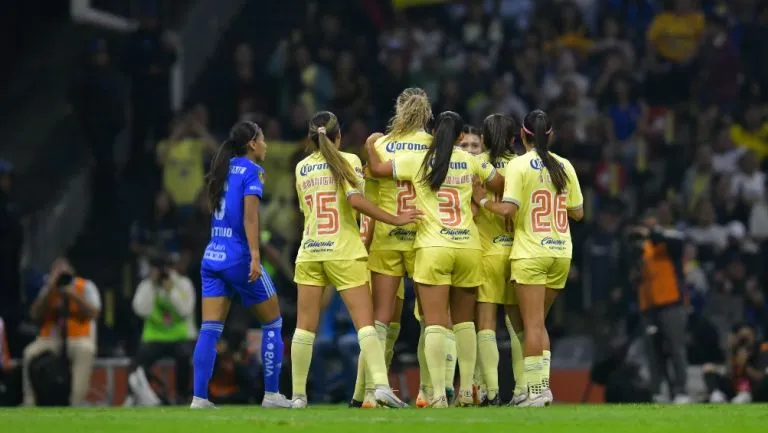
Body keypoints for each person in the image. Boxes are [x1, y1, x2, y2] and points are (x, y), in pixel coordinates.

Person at [366, 111, 504, 408]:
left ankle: (438, 393)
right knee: (465, 322)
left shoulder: (418, 160)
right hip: (468, 246)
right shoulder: (470, 160)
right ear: (458, 138)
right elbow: (500, 183)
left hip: (433, 246)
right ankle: (467, 390)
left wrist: (369, 143)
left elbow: (376, 169)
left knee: (435, 323)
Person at [291, 111, 421, 409]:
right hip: (344, 251)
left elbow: (305, 212)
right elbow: (356, 201)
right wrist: (395, 218)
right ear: (338, 136)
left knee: (304, 327)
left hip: (310, 250)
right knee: (365, 324)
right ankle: (381, 387)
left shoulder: (301, 168)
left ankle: (298, 396)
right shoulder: (348, 160)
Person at [474, 110, 583, 407]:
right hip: (561, 252)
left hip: (531, 251)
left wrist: (482, 200)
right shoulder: (564, 165)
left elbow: (508, 209)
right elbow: (578, 212)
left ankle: (534, 391)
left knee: (531, 324)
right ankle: (542, 388)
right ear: (551, 134)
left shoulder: (520, 166)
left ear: (523, 135)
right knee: (539, 324)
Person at [191, 121, 291, 409]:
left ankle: (199, 398)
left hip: (213, 256)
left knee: (210, 328)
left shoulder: (223, 167)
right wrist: (256, 256)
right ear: (252, 144)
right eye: (263, 140)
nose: (267, 145)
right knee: (273, 322)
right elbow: (250, 218)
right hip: (238, 257)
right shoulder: (252, 171)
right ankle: (272, 394)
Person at [351, 88, 434, 407]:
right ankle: (429, 390)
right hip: (423, 235)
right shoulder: (433, 146)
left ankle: (372, 392)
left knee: (381, 318)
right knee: (431, 316)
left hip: (387, 235)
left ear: (398, 111)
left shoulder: (379, 145)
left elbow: (369, 192)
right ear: (426, 114)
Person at [471, 114, 519, 406]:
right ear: (513, 138)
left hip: (487, 250)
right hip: (517, 252)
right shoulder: (523, 164)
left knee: (486, 325)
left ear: (484, 139)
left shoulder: (478, 163)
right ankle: (524, 389)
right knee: (518, 325)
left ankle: (491, 391)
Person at [23, 258, 101, 406]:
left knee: (86, 350)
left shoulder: (85, 286)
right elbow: (34, 314)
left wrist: (73, 295)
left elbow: (94, 313)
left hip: (78, 338)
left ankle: (76, 403)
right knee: (29, 353)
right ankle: (30, 402)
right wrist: (50, 290)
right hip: (51, 338)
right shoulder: (47, 288)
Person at [129, 256, 196, 405]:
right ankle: (142, 397)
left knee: (184, 356)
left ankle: (182, 396)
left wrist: (171, 290)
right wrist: (151, 286)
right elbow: (140, 310)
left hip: (180, 337)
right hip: (154, 337)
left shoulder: (183, 284)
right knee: (137, 364)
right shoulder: (146, 285)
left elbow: (185, 311)